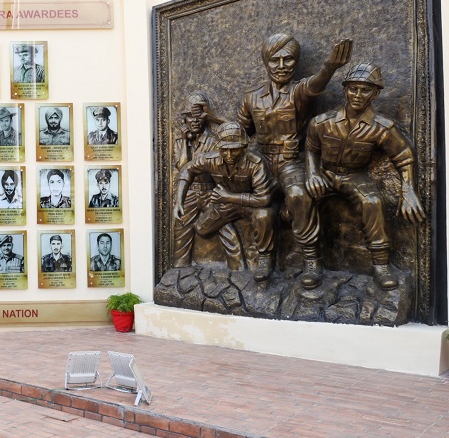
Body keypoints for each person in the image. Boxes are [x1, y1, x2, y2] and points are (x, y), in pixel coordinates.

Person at [238, 34, 352, 288]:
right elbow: (240, 133)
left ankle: (312, 260)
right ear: (266, 63)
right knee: (262, 209)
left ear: (295, 62)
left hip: (292, 162)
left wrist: (330, 67)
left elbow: (316, 85)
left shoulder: (299, 91)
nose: (281, 66)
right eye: (275, 60)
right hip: (263, 164)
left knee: (300, 195)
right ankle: (265, 259)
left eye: (288, 60)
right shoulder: (251, 99)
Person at [305, 62, 425, 290]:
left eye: (365, 89)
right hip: (326, 174)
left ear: (376, 93)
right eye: (353, 88)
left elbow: (404, 156)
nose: (358, 95)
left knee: (372, 202)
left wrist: (407, 189)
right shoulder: (322, 123)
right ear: (345, 90)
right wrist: (312, 173)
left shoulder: (382, 127)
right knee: (299, 199)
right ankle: (311, 262)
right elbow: (311, 149)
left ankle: (380, 265)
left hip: (355, 177)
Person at [175, 122, 276, 282]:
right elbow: (187, 169)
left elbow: (264, 199)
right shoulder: (211, 160)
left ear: (244, 147)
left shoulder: (256, 163)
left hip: (251, 205)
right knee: (202, 229)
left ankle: (264, 259)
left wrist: (227, 196)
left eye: (234, 149)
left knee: (264, 215)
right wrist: (179, 201)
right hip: (225, 204)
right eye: (224, 149)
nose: (229, 154)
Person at [172, 92, 242, 269]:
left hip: (210, 191)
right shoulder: (180, 142)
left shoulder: (213, 140)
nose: (195, 121)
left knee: (228, 232)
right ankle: (180, 272)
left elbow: (236, 130)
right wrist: (184, 142)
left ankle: (238, 270)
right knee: (181, 234)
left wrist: (213, 116)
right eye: (190, 117)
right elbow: (183, 168)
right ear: (184, 120)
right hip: (188, 192)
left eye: (199, 117)